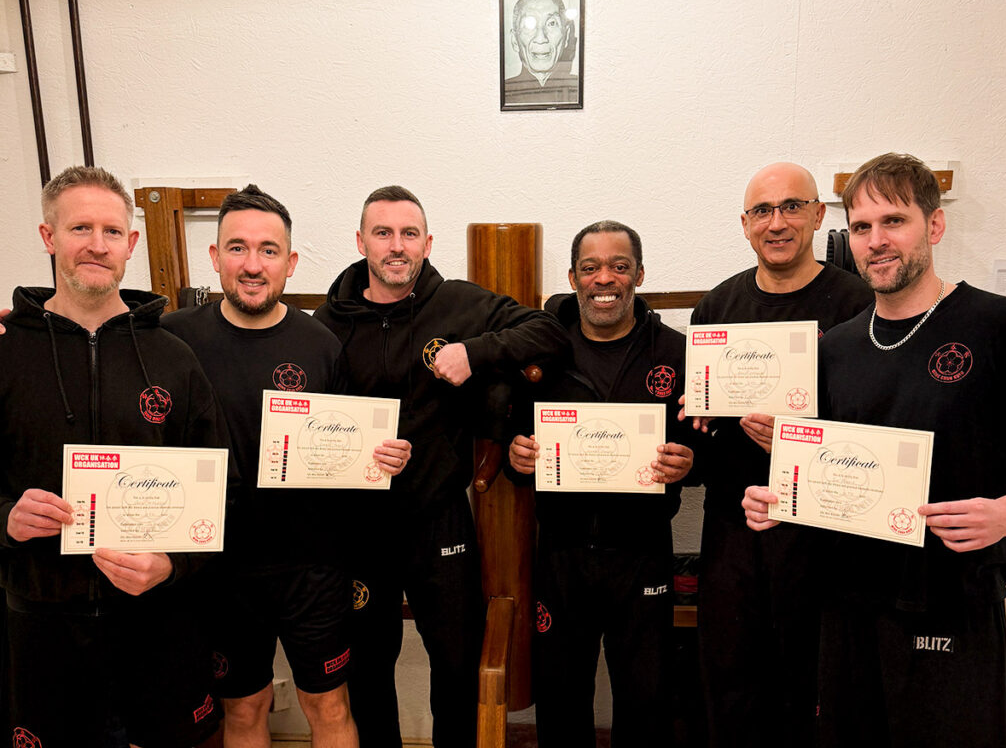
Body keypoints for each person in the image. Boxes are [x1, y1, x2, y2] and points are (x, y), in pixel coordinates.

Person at [745, 153, 1006, 747]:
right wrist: (779, 501)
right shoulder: (837, 348)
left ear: (935, 226)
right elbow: (830, 468)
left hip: (952, 597)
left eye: (894, 221)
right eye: (863, 227)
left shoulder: (1001, 326)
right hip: (847, 603)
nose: (877, 241)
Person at [312, 186, 568, 748]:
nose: (396, 246)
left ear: (428, 243)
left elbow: (550, 334)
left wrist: (474, 353)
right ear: (361, 243)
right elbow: (309, 423)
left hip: (439, 519)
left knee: (455, 667)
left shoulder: (459, 304)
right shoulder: (326, 323)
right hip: (359, 527)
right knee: (368, 671)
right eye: (383, 234)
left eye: (409, 234)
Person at [163, 185, 411, 747]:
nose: (253, 265)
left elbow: (345, 455)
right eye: (238, 248)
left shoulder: (320, 343)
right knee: (245, 709)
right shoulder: (175, 340)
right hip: (219, 568)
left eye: (269, 250)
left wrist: (378, 458)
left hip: (312, 567)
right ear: (215, 256)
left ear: (290, 261)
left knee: (328, 705)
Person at [0, 166, 229, 746]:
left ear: (131, 244)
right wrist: (3, 516)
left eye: (111, 230)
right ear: (49, 237)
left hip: (160, 620)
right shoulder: (6, 353)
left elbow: (221, 488)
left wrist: (174, 564)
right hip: (42, 622)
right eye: (80, 227)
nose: (96, 245)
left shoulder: (174, 357)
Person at [687, 163, 873, 747]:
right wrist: (695, 416)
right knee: (731, 670)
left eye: (792, 207)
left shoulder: (859, 304)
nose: (777, 223)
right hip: (733, 523)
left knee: (812, 675)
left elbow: (881, 426)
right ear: (745, 225)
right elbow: (700, 438)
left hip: (823, 526)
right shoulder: (716, 307)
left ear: (819, 215)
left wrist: (800, 439)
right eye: (762, 211)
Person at [506, 220, 701, 747]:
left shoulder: (677, 354)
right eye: (591, 268)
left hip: (642, 553)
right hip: (561, 554)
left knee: (646, 698)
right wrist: (516, 455)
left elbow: (702, 450)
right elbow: (512, 438)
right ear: (573, 277)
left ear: (639, 273)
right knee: (561, 694)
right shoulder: (542, 351)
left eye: (619, 266)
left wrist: (689, 463)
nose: (604, 279)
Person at [504, 0, 579, 105]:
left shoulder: (581, 90)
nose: (541, 38)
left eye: (551, 23)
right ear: (514, 40)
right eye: (529, 24)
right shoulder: (503, 93)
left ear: (566, 36)